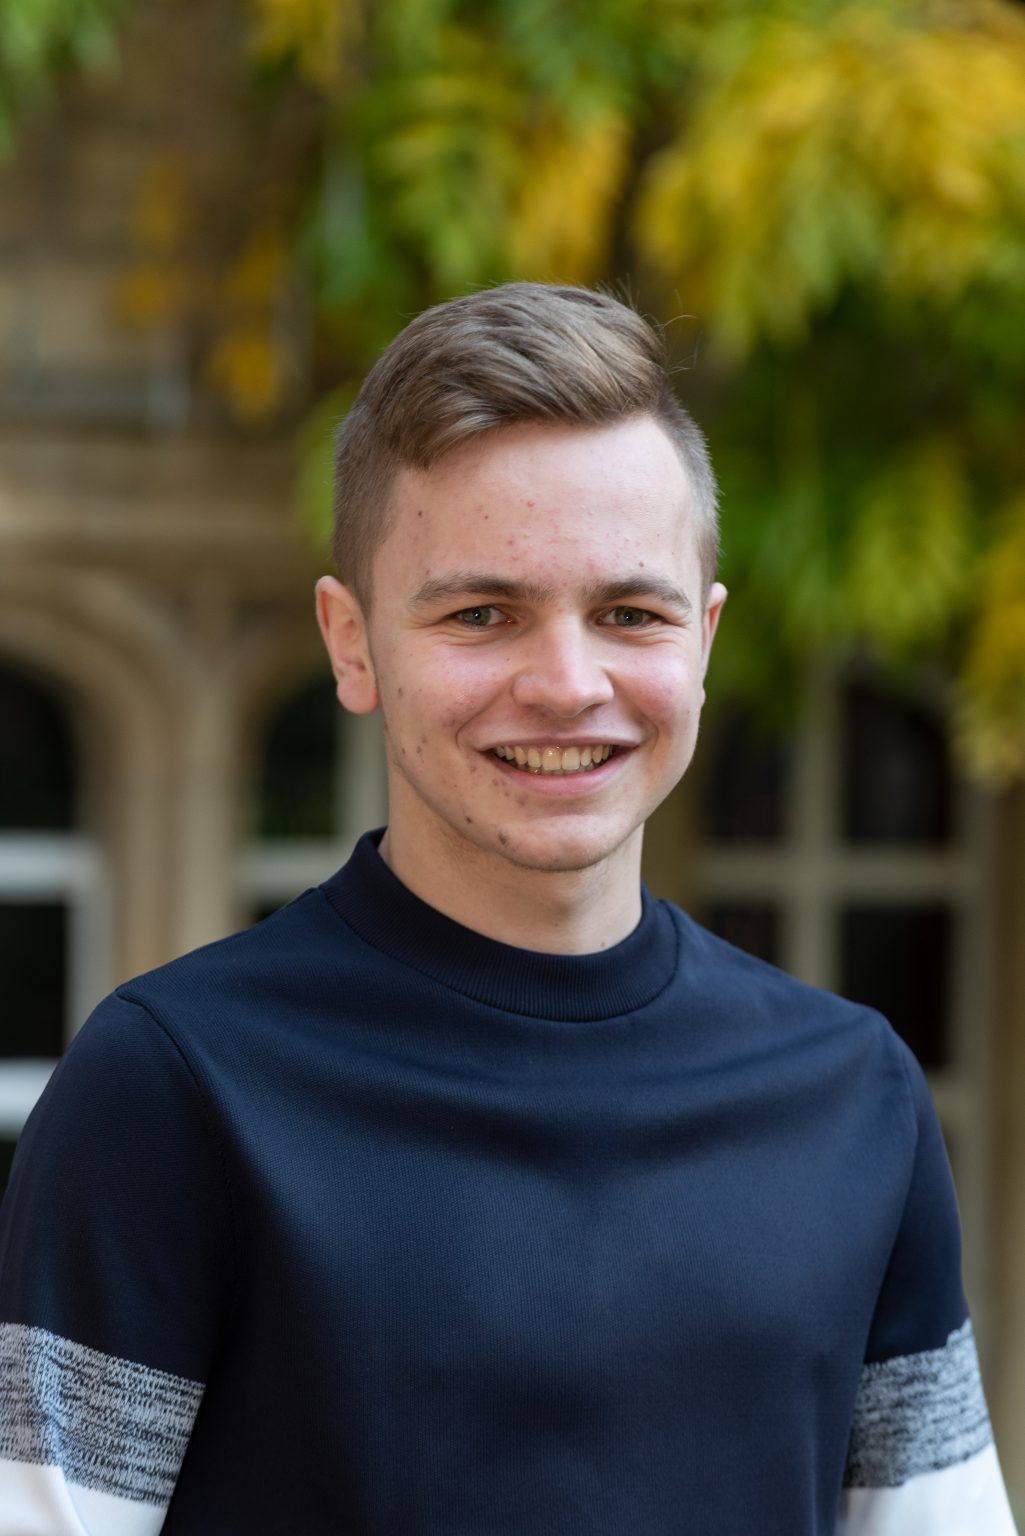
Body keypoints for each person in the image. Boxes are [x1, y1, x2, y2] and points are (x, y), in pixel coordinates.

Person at [0, 282, 1016, 1536]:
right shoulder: (172, 1088)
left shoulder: (853, 1094)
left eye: (627, 614)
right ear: (353, 642)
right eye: (482, 614)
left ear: (699, 643)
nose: (566, 683)